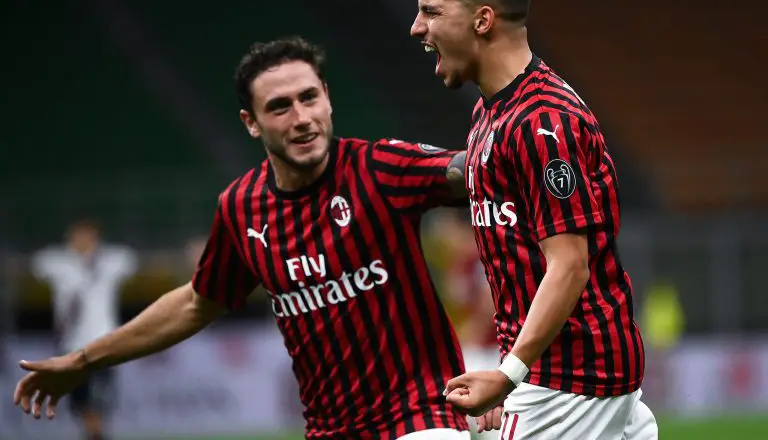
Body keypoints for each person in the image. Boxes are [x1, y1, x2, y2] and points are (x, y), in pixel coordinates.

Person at [13, 37, 489, 439]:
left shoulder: (380, 168)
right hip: (330, 429)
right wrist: (84, 358)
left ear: (327, 96)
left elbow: (474, 171)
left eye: (309, 98)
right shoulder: (241, 208)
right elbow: (196, 304)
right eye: (280, 107)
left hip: (422, 416)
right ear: (251, 122)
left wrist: (539, 133)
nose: (301, 117)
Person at [410, 0, 658, 440]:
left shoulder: (543, 121)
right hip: (561, 375)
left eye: (430, 11)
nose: (418, 28)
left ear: (482, 21)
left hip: (571, 381)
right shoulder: (491, 113)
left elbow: (569, 264)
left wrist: (509, 376)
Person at [30, 218, 138, 440]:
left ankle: (96, 433)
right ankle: (94, 433)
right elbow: (36, 265)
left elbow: (130, 261)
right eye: (77, 236)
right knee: (79, 401)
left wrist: (92, 258)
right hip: (70, 343)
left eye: (87, 235)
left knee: (100, 398)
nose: (83, 241)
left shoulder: (110, 260)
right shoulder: (58, 262)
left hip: (105, 341)